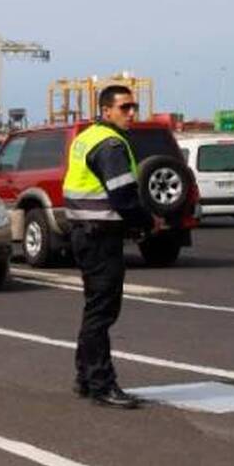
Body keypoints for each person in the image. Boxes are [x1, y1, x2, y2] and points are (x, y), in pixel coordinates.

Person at [63, 85, 163, 409]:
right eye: (125, 107)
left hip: (84, 232)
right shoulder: (111, 144)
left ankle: (86, 378)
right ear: (107, 111)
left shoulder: (85, 137)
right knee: (102, 312)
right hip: (99, 236)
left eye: (133, 107)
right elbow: (122, 197)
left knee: (94, 308)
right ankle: (102, 384)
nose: (132, 113)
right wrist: (148, 222)